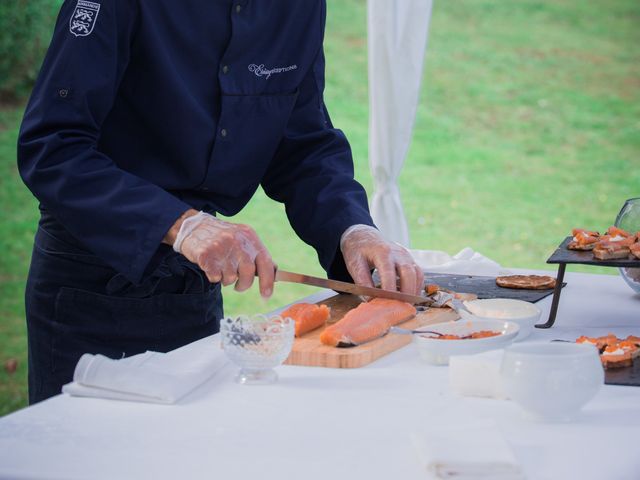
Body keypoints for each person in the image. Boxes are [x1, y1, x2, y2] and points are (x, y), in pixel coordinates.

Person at [17, 0, 423, 404]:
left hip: (195, 290)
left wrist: (352, 230)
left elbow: (302, 145)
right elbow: (53, 147)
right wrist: (179, 224)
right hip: (90, 288)